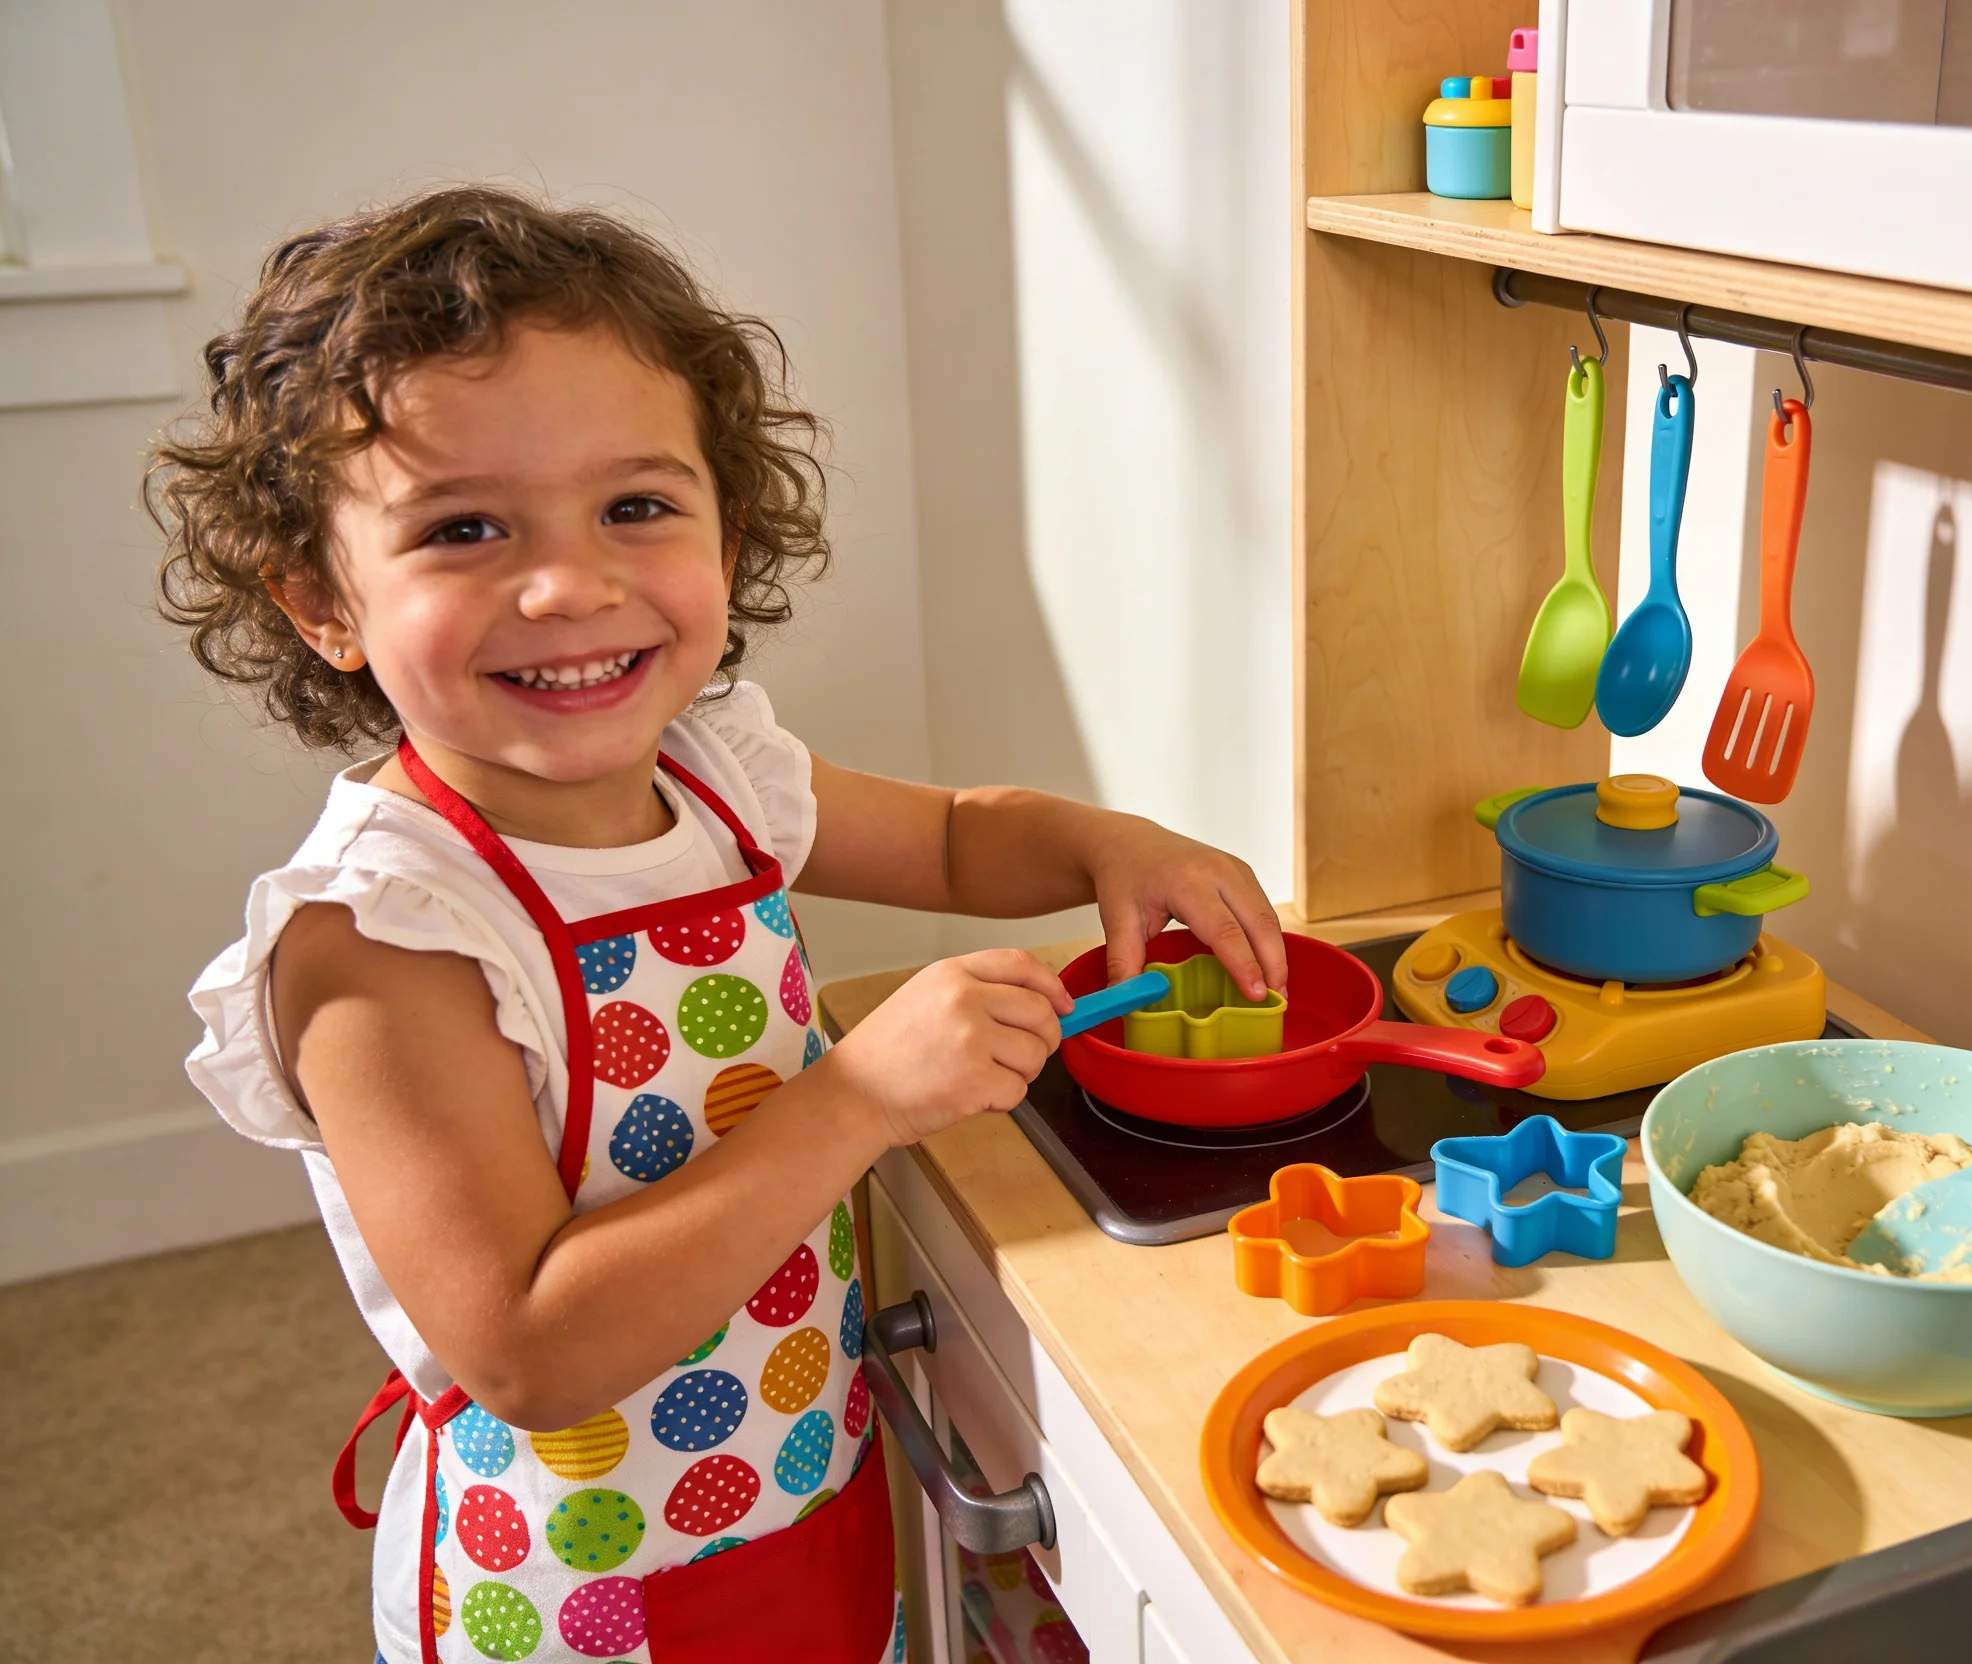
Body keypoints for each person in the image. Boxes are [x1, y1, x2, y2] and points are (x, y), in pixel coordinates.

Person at [162, 185, 1287, 1664]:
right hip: (575, 1597)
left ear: (728, 524)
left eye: (636, 506)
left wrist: (1104, 841)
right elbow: (527, 1345)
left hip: (798, 1491)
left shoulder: (714, 771)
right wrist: (866, 1095)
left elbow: (952, 836)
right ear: (321, 601)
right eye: (464, 528)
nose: (569, 583)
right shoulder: (387, 936)